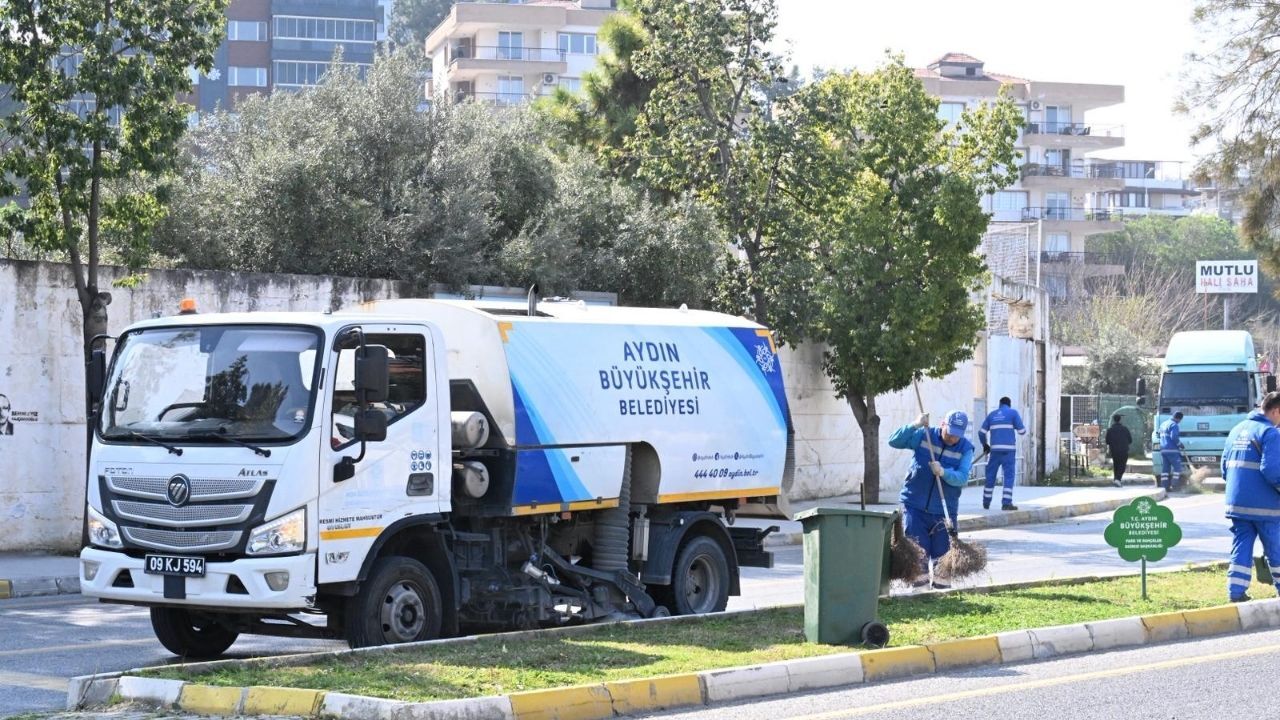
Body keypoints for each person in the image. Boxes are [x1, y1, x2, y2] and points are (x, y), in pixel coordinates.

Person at [890, 410, 975, 590]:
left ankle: (941, 591)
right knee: (917, 552)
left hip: (944, 510)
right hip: (914, 505)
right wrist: (915, 424)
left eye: (957, 435)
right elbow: (894, 441)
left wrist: (943, 472)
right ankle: (919, 592)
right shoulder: (924, 435)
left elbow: (962, 478)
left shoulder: (966, 448)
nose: (952, 438)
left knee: (943, 554)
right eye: (950, 432)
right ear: (943, 424)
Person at [1221, 391, 1280, 602]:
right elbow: (1273, 471)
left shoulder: (1237, 430)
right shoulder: (1270, 433)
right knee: (1276, 548)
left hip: (1236, 503)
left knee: (1241, 546)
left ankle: (1236, 593)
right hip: (1266, 507)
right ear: (1276, 410)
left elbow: (1224, 468)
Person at [978, 396, 1026, 511]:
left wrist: (985, 445)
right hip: (1008, 452)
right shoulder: (1013, 413)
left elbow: (981, 432)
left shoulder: (992, 415)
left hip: (994, 451)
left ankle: (986, 502)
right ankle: (1006, 503)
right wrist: (1013, 425)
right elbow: (1022, 431)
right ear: (1009, 404)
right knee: (1008, 476)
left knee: (990, 476)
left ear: (999, 404)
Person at [1157, 412, 1185, 491]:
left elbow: (1159, 435)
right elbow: (1174, 437)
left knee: (1165, 469)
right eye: (1180, 420)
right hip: (1172, 450)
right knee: (1177, 468)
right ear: (1179, 418)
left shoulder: (1163, 424)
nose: (1179, 421)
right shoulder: (1174, 425)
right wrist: (1180, 444)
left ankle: (1165, 486)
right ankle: (1175, 485)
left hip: (1163, 449)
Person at [1104, 414, 1133, 488]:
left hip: (1114, 450)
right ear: (1120, 420)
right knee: (1122, 465)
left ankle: (1116, 480)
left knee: (1116, 465)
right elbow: (1130, 440)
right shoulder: (1125, 429)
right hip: (1123, 450)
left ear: (1114, 420)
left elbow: (1107, 441)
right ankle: (1118, 479)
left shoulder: (1110, 430)